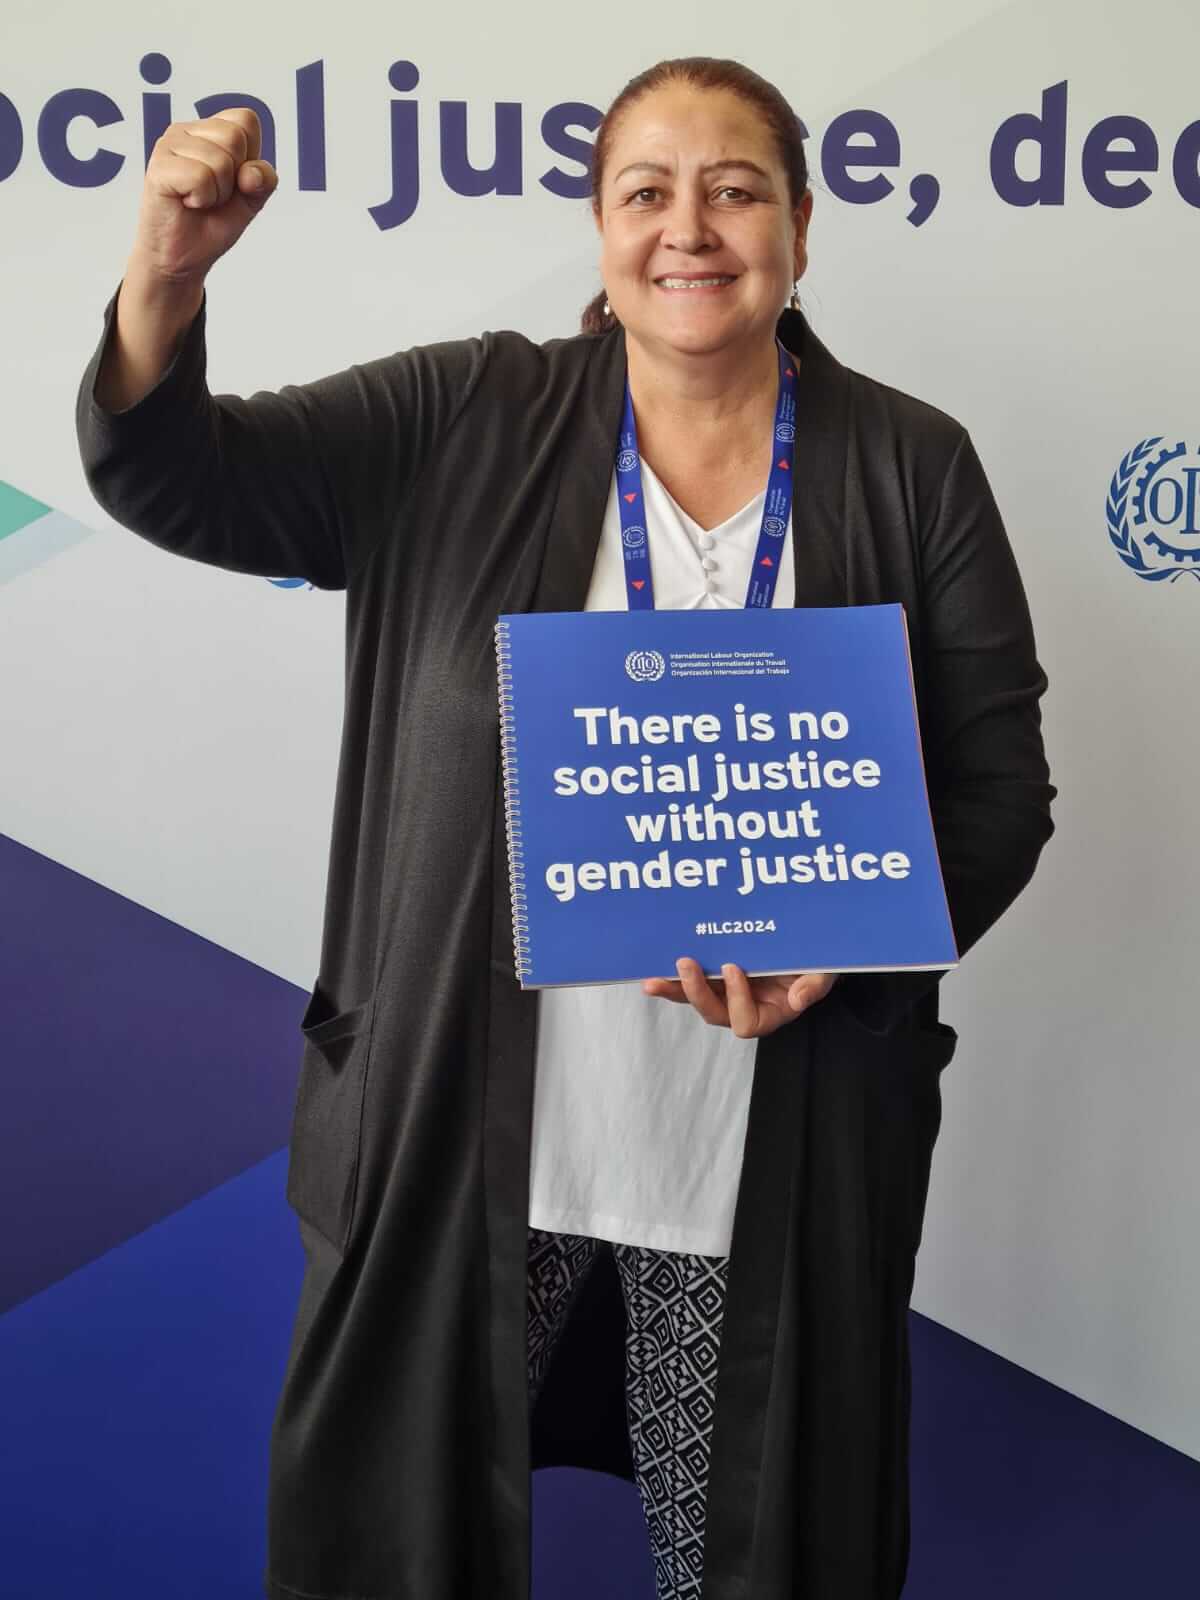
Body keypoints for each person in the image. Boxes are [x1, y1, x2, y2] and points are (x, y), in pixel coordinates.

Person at [74, 55, 1055, 1600]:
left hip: (759, 1156)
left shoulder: (906, 461)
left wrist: (844, 951)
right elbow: (186, 479)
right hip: (464, 1143)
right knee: (400, 1553)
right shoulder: (464, 414)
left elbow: (1000, 790)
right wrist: (166, 276)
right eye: (646, 192)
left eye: (735, 191)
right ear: (601, 228)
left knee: (759, 1562)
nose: (690, 228)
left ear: (801, 227)